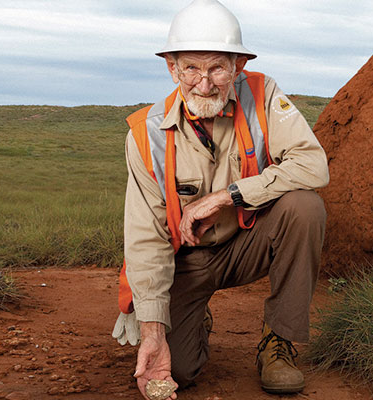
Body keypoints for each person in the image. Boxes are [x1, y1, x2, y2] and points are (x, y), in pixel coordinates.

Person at [109, 0, 329, 397]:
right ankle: (193, 320)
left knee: (304, 206)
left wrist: (225, 197)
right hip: (185, 261)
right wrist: (154, 329)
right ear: (171, 67)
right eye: (191, 68)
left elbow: (314, 166)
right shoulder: (147, 134)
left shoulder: (262, 95)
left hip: (247, 242)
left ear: (237, 66)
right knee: (181, 371)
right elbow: (145, 240)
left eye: (217, 68)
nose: (204, 83)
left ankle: (278, 342)